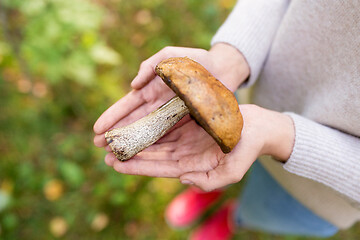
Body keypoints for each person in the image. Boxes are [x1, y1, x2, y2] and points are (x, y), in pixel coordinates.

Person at [93, 0, 360, 239]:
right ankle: (205, 190)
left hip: (324, 190)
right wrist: (232, 57)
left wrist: (281, 136)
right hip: (257, 91)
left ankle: (234, 217)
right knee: (206, 163)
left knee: (266, 210)